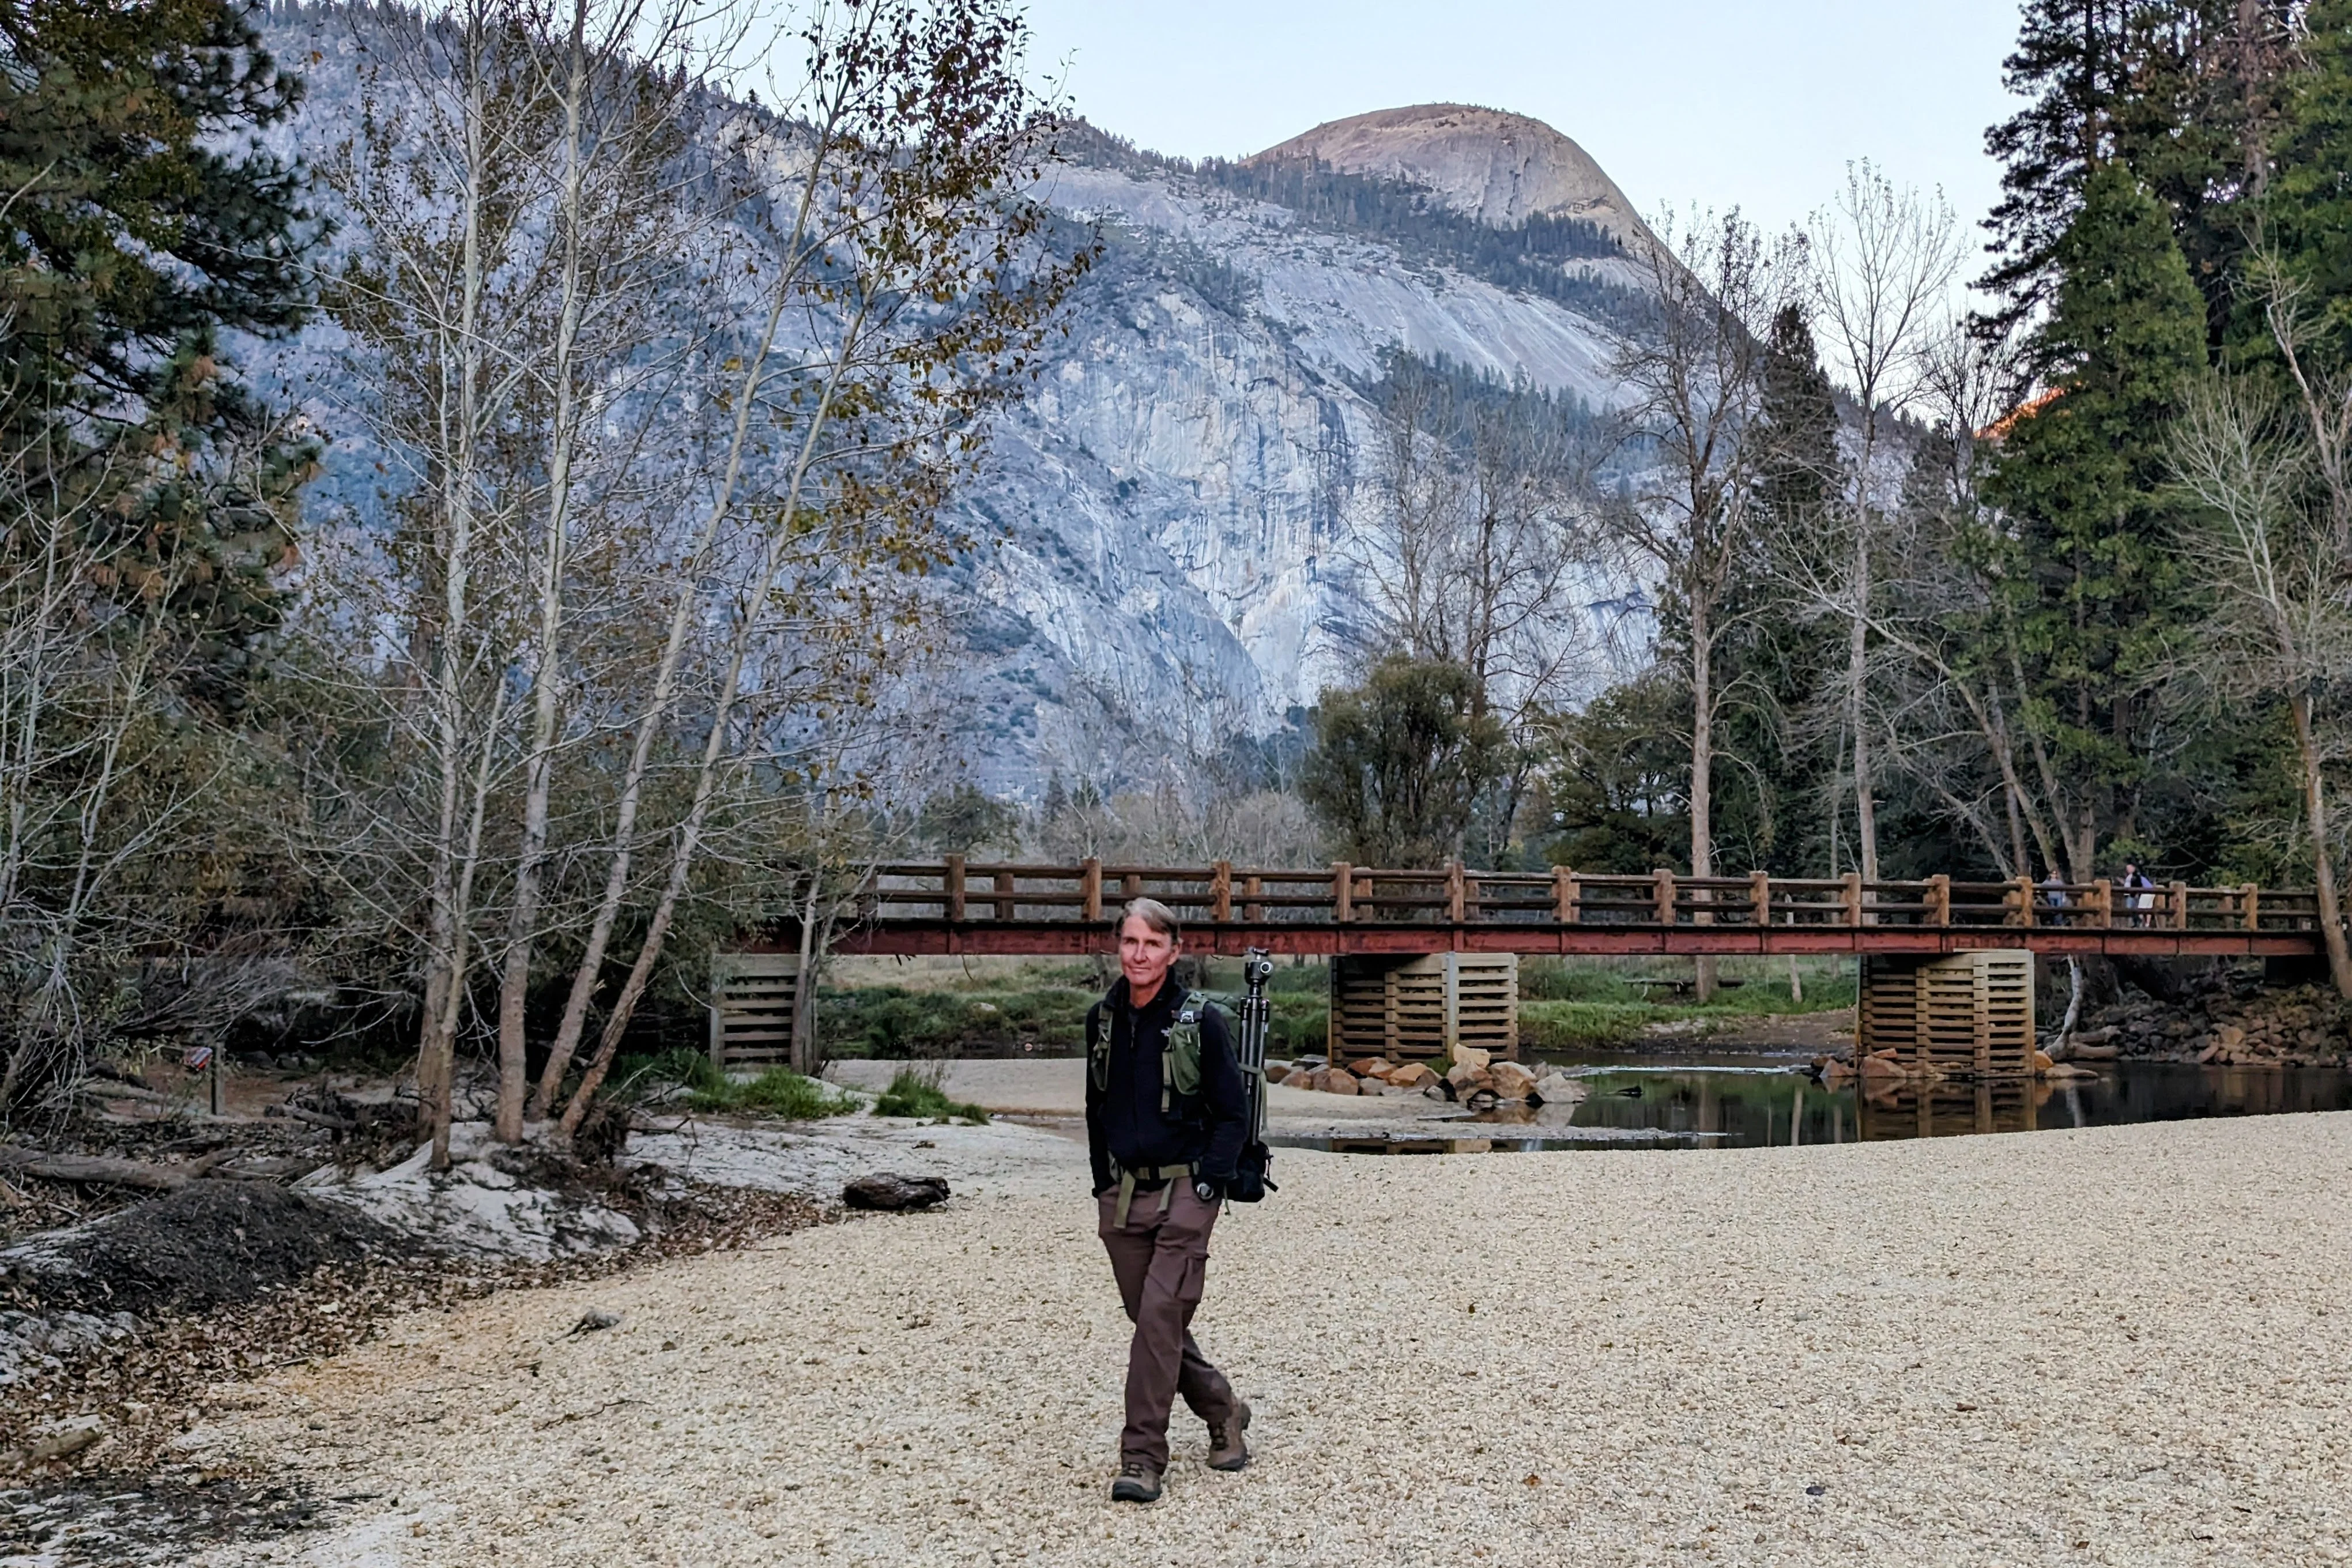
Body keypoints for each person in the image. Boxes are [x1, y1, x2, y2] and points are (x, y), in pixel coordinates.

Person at [1083, 898, 1252, 1505]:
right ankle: (1223, 1406)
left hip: (1188, 1188)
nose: (1139, 953)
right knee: (1155, 1321)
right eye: (1130, 941)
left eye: (1152, 943)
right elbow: (1095, 1107)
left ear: (1174, 950)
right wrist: (1102, 1179)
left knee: (1158, 1316)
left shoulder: (1200, 1020)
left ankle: (1142, 1456)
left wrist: (1210, 1179)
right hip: (1123, 1192)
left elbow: (1235, 1113)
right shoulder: (1101, 1018)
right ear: (1118, 946)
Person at [2121, 859, 2157, 927]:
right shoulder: (2140, 876)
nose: (2128, 870)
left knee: (2140, 908)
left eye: (2129, 868)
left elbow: (2137, 886)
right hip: (2151, 891)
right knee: (2148, 908)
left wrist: (2133, 895)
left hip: (2146, 892)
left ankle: (2139, 924)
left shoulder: (2135, 877)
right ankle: (2147, 924)